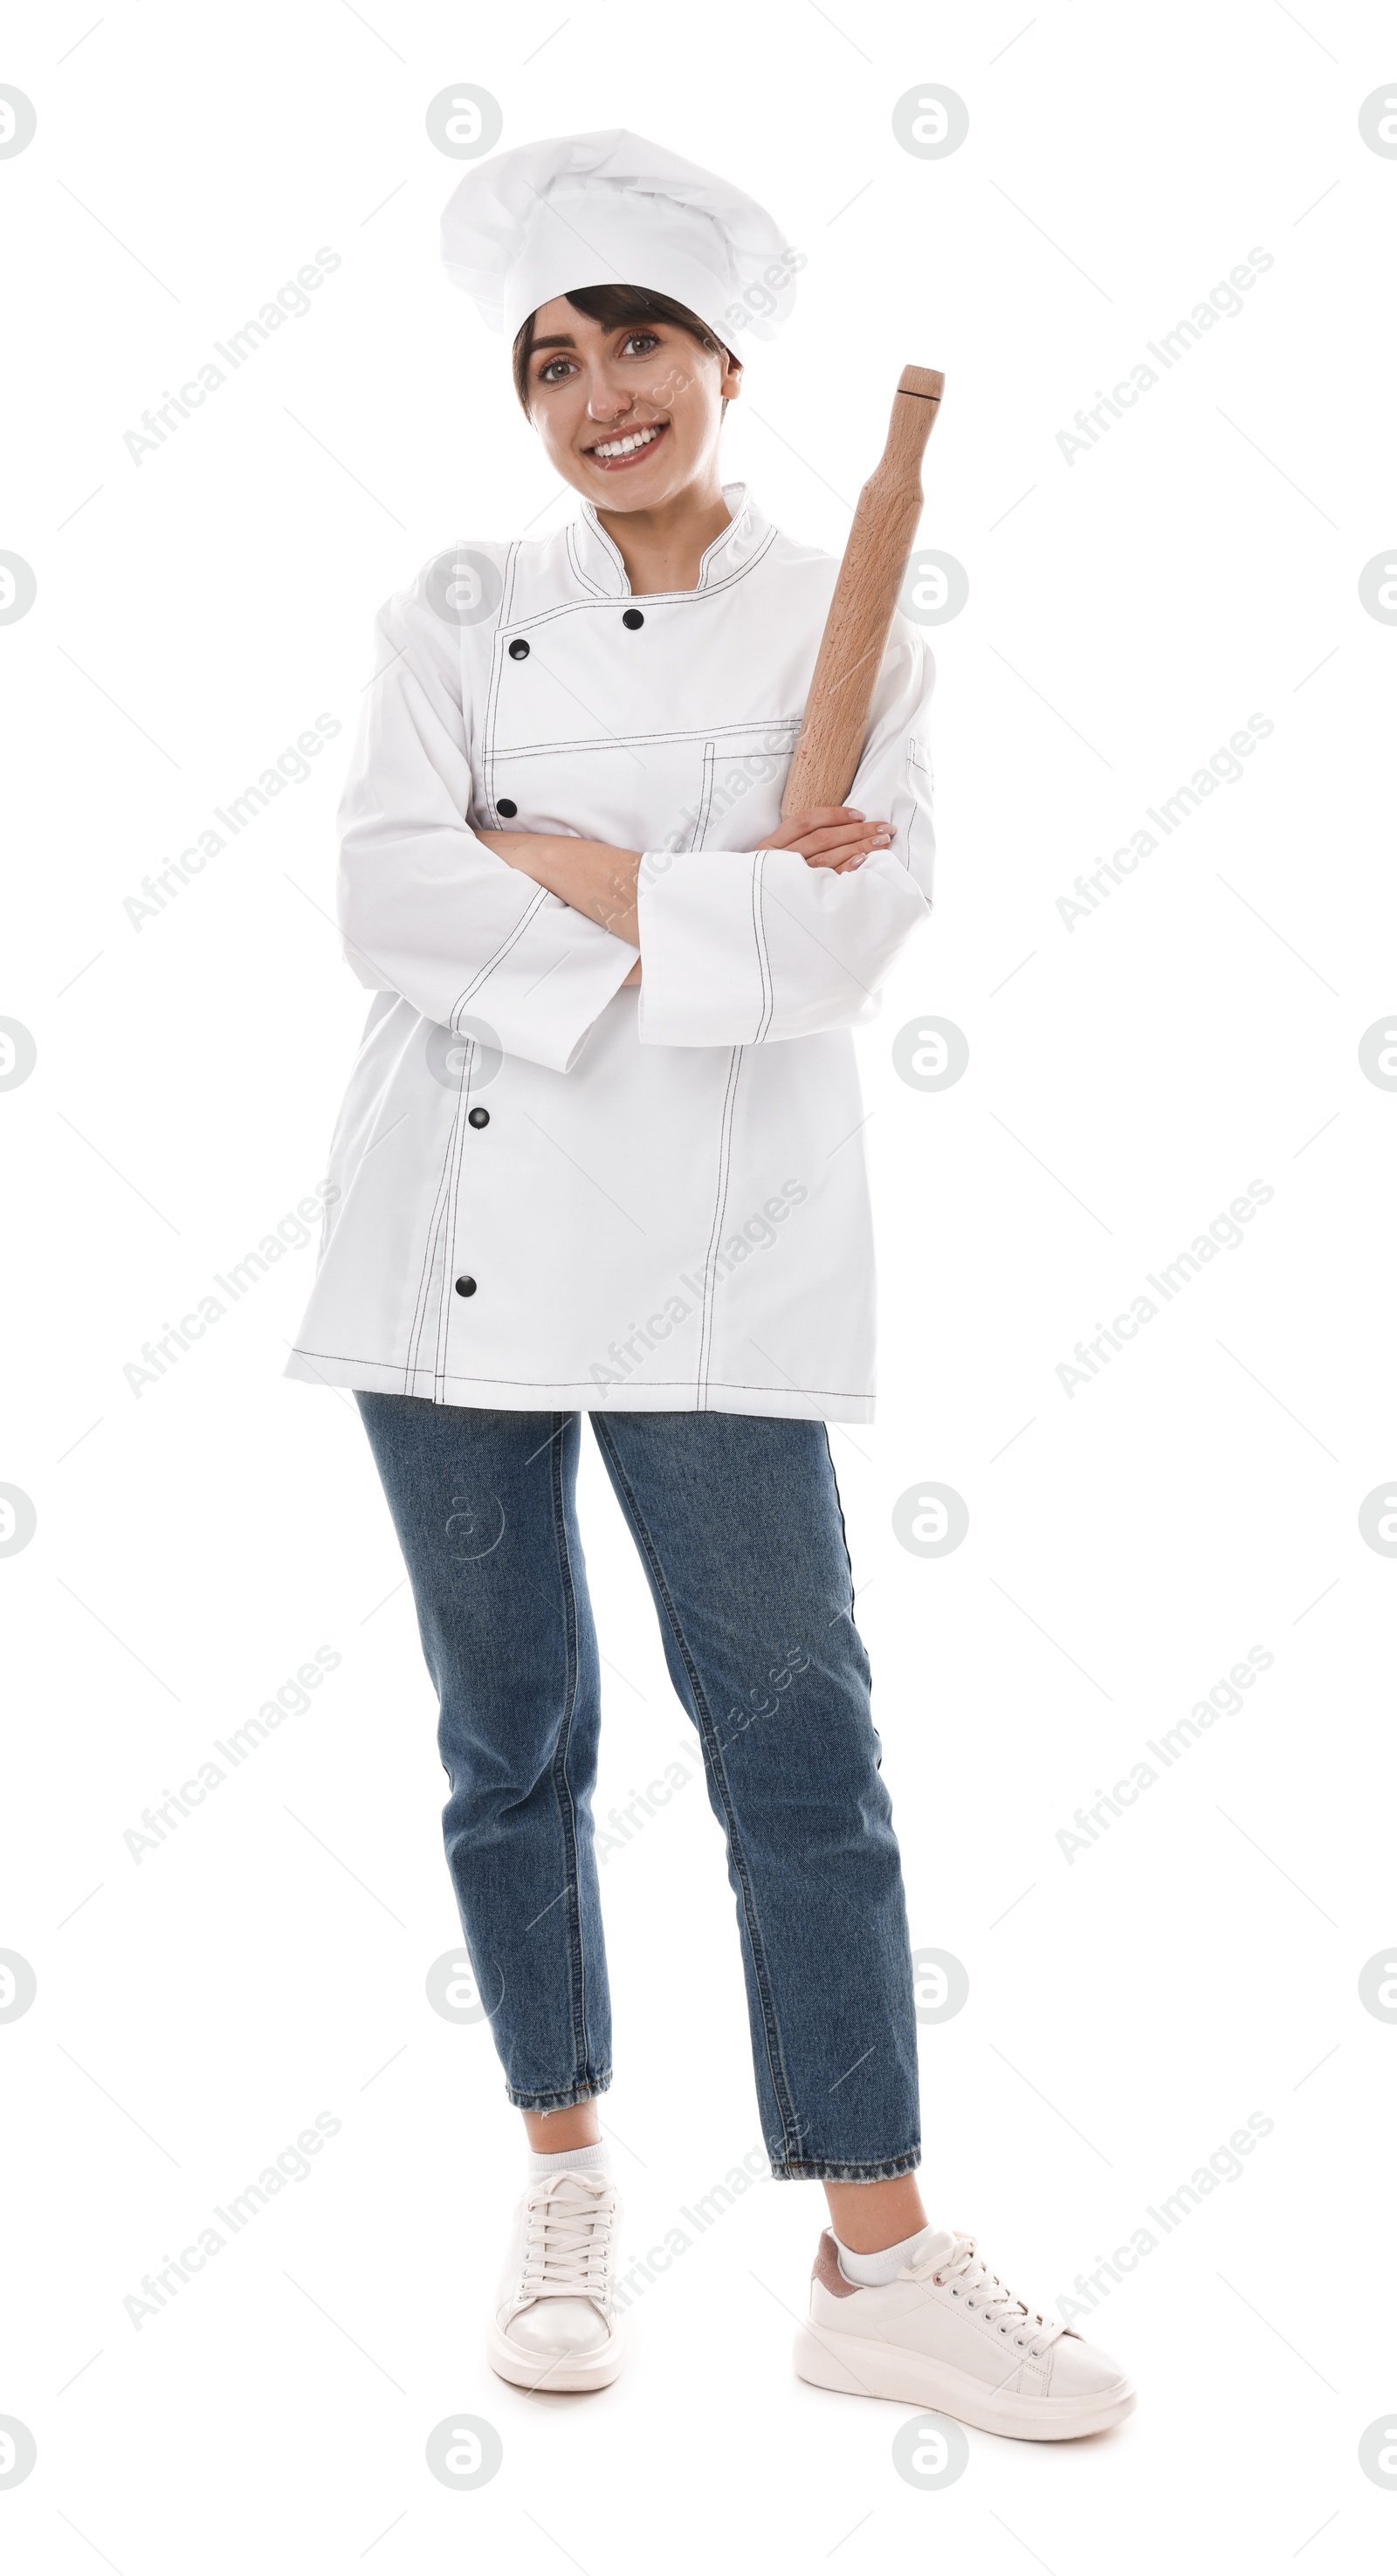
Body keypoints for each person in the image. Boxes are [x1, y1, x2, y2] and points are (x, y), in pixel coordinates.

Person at [286, 129, 1134, 2440]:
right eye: (551, 361)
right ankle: (564, 2178)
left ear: (725, 362)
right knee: (512, 1745)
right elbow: (388, 903)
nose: (594, 394)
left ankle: (878, 2255)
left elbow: (850, 942)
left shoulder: (855, 632)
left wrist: (556, 865)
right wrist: (705, 900)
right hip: (442, 1253)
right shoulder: (453, 611)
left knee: (799, 1748)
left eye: (635, 343)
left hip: (722, 1258)